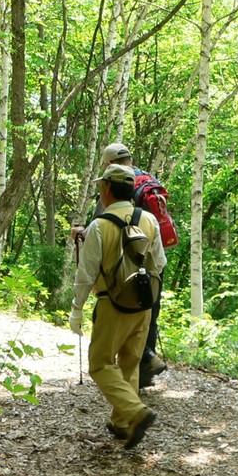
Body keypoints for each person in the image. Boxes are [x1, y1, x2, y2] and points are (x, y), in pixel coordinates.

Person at [69, 163, 166, 448]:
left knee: (99, 363)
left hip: (112, 303)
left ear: (107, 189)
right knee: (130, 361)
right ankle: (122, 423)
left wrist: (77, 309)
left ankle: (135, 412)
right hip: (144, 303)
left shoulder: (99, 226)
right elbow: (159, 263)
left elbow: (86, 274)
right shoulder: (148, 219)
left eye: (102, 186)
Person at [72, 142, 171, 388]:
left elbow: (101, 225)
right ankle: (143, 363)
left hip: (119, 267)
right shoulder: (149, 180)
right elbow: (159, 255)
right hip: (149, 264)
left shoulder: (113, 183)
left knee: (115, 316)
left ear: (108, 164)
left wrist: (81, 233)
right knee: (146, 309)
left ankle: (128, 388)